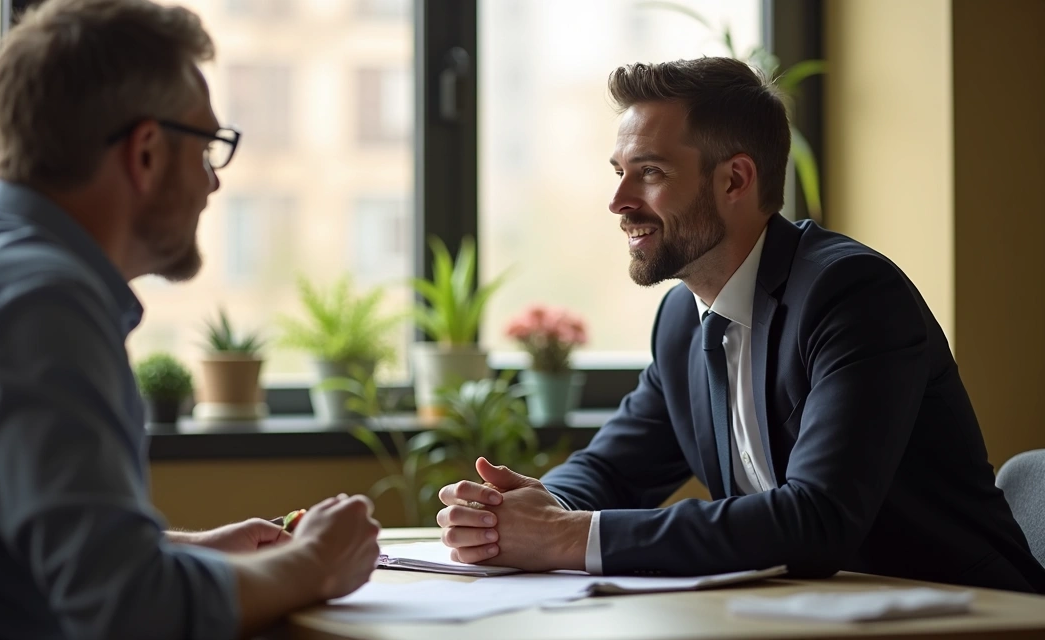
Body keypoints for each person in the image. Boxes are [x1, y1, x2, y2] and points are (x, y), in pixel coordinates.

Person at [0, 0, 380, 637]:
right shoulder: (35, 307)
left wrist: (185, 549)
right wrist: (314, 562)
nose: (213, 185)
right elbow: (129, 613)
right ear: (145, 153)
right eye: (208, 147)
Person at [435, 57, 1045, 594]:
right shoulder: (682, 318)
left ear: (735, 179)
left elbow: (818, 519)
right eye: (617, 171)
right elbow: (615, 468)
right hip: (812, 615)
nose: (618, 200)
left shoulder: (852, 295)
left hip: (971, 615)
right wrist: (524, 508)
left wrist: (568, 538)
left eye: (649, 172)